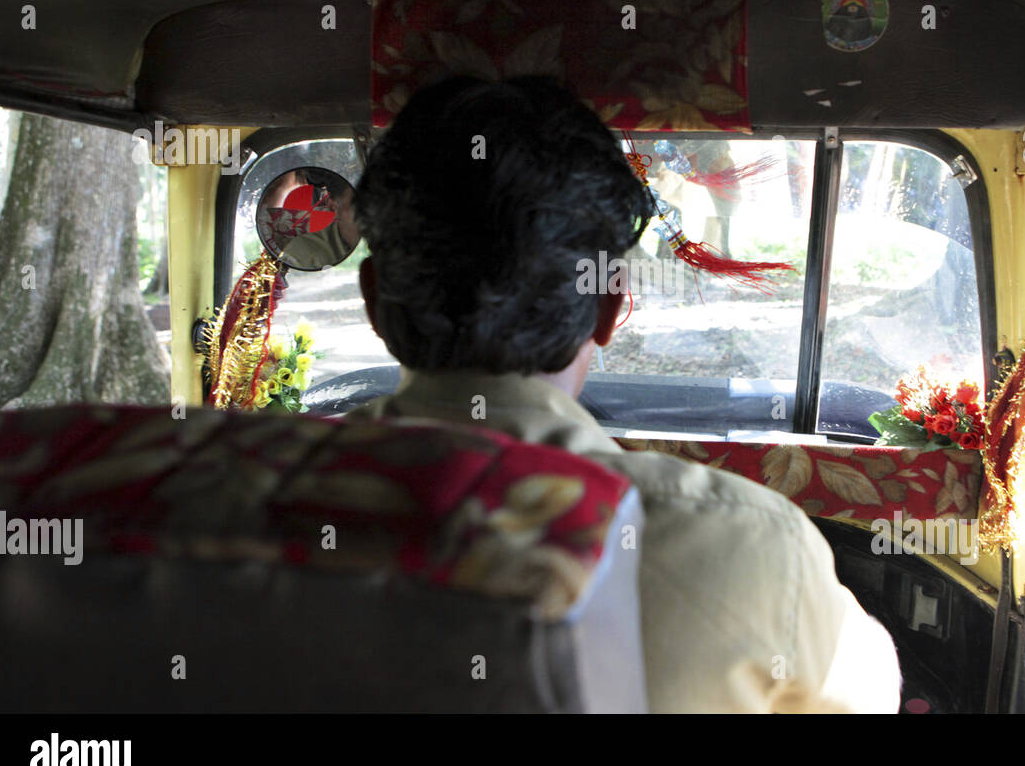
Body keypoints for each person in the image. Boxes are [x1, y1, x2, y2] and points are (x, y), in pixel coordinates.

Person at [350, 76, 900, 713]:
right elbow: (868, 692)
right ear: (611, 308)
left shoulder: (234, 500)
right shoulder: (753, 545)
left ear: (374, 302)